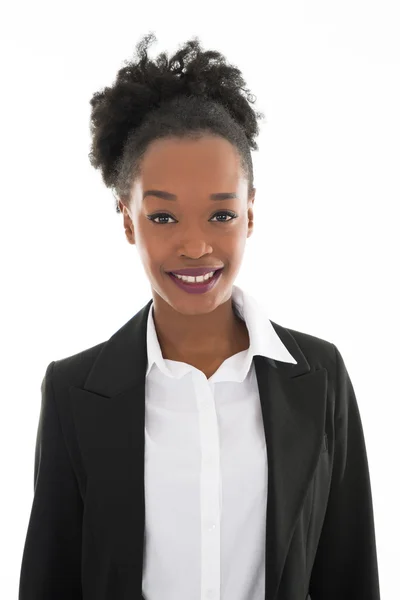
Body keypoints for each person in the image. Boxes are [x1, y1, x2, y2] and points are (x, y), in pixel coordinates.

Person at [18, 32, 380, 600]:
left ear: (250, 214)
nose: (195, 246)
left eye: (220, 215)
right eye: (163, 218)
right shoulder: (72, 392)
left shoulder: (319, 376)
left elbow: (350, 572)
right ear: (127, 219)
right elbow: (51, 580)